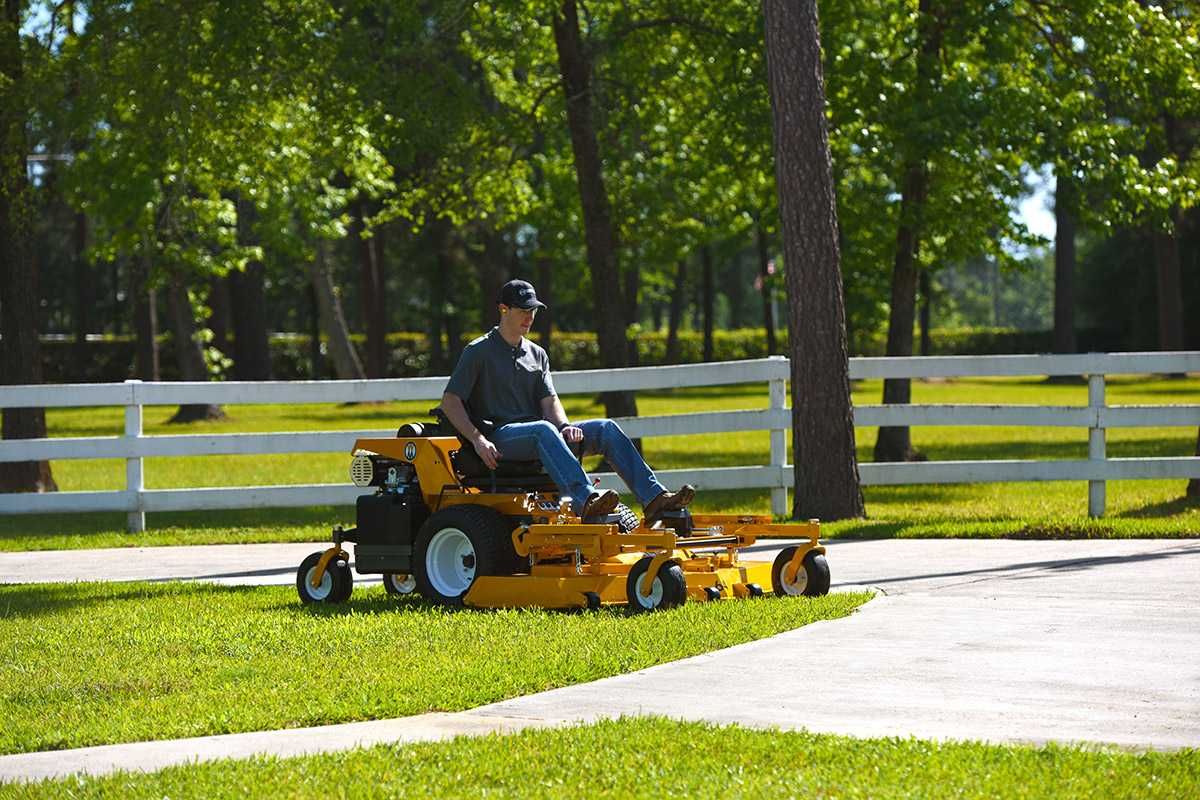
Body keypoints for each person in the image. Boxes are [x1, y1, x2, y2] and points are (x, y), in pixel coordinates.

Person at [441, 278, 695, 521]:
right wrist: (478, 440)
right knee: (543, 430)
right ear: (503, 309)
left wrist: (564, 427)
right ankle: (584, 500)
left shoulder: (537, 354)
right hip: (500, 437)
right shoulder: (478, 351)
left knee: (605, 429)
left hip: (543, 433)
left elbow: (549, 401)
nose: (530, 317)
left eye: (534, 311)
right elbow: (450, 401)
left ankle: (654, 499)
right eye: (523, 310)